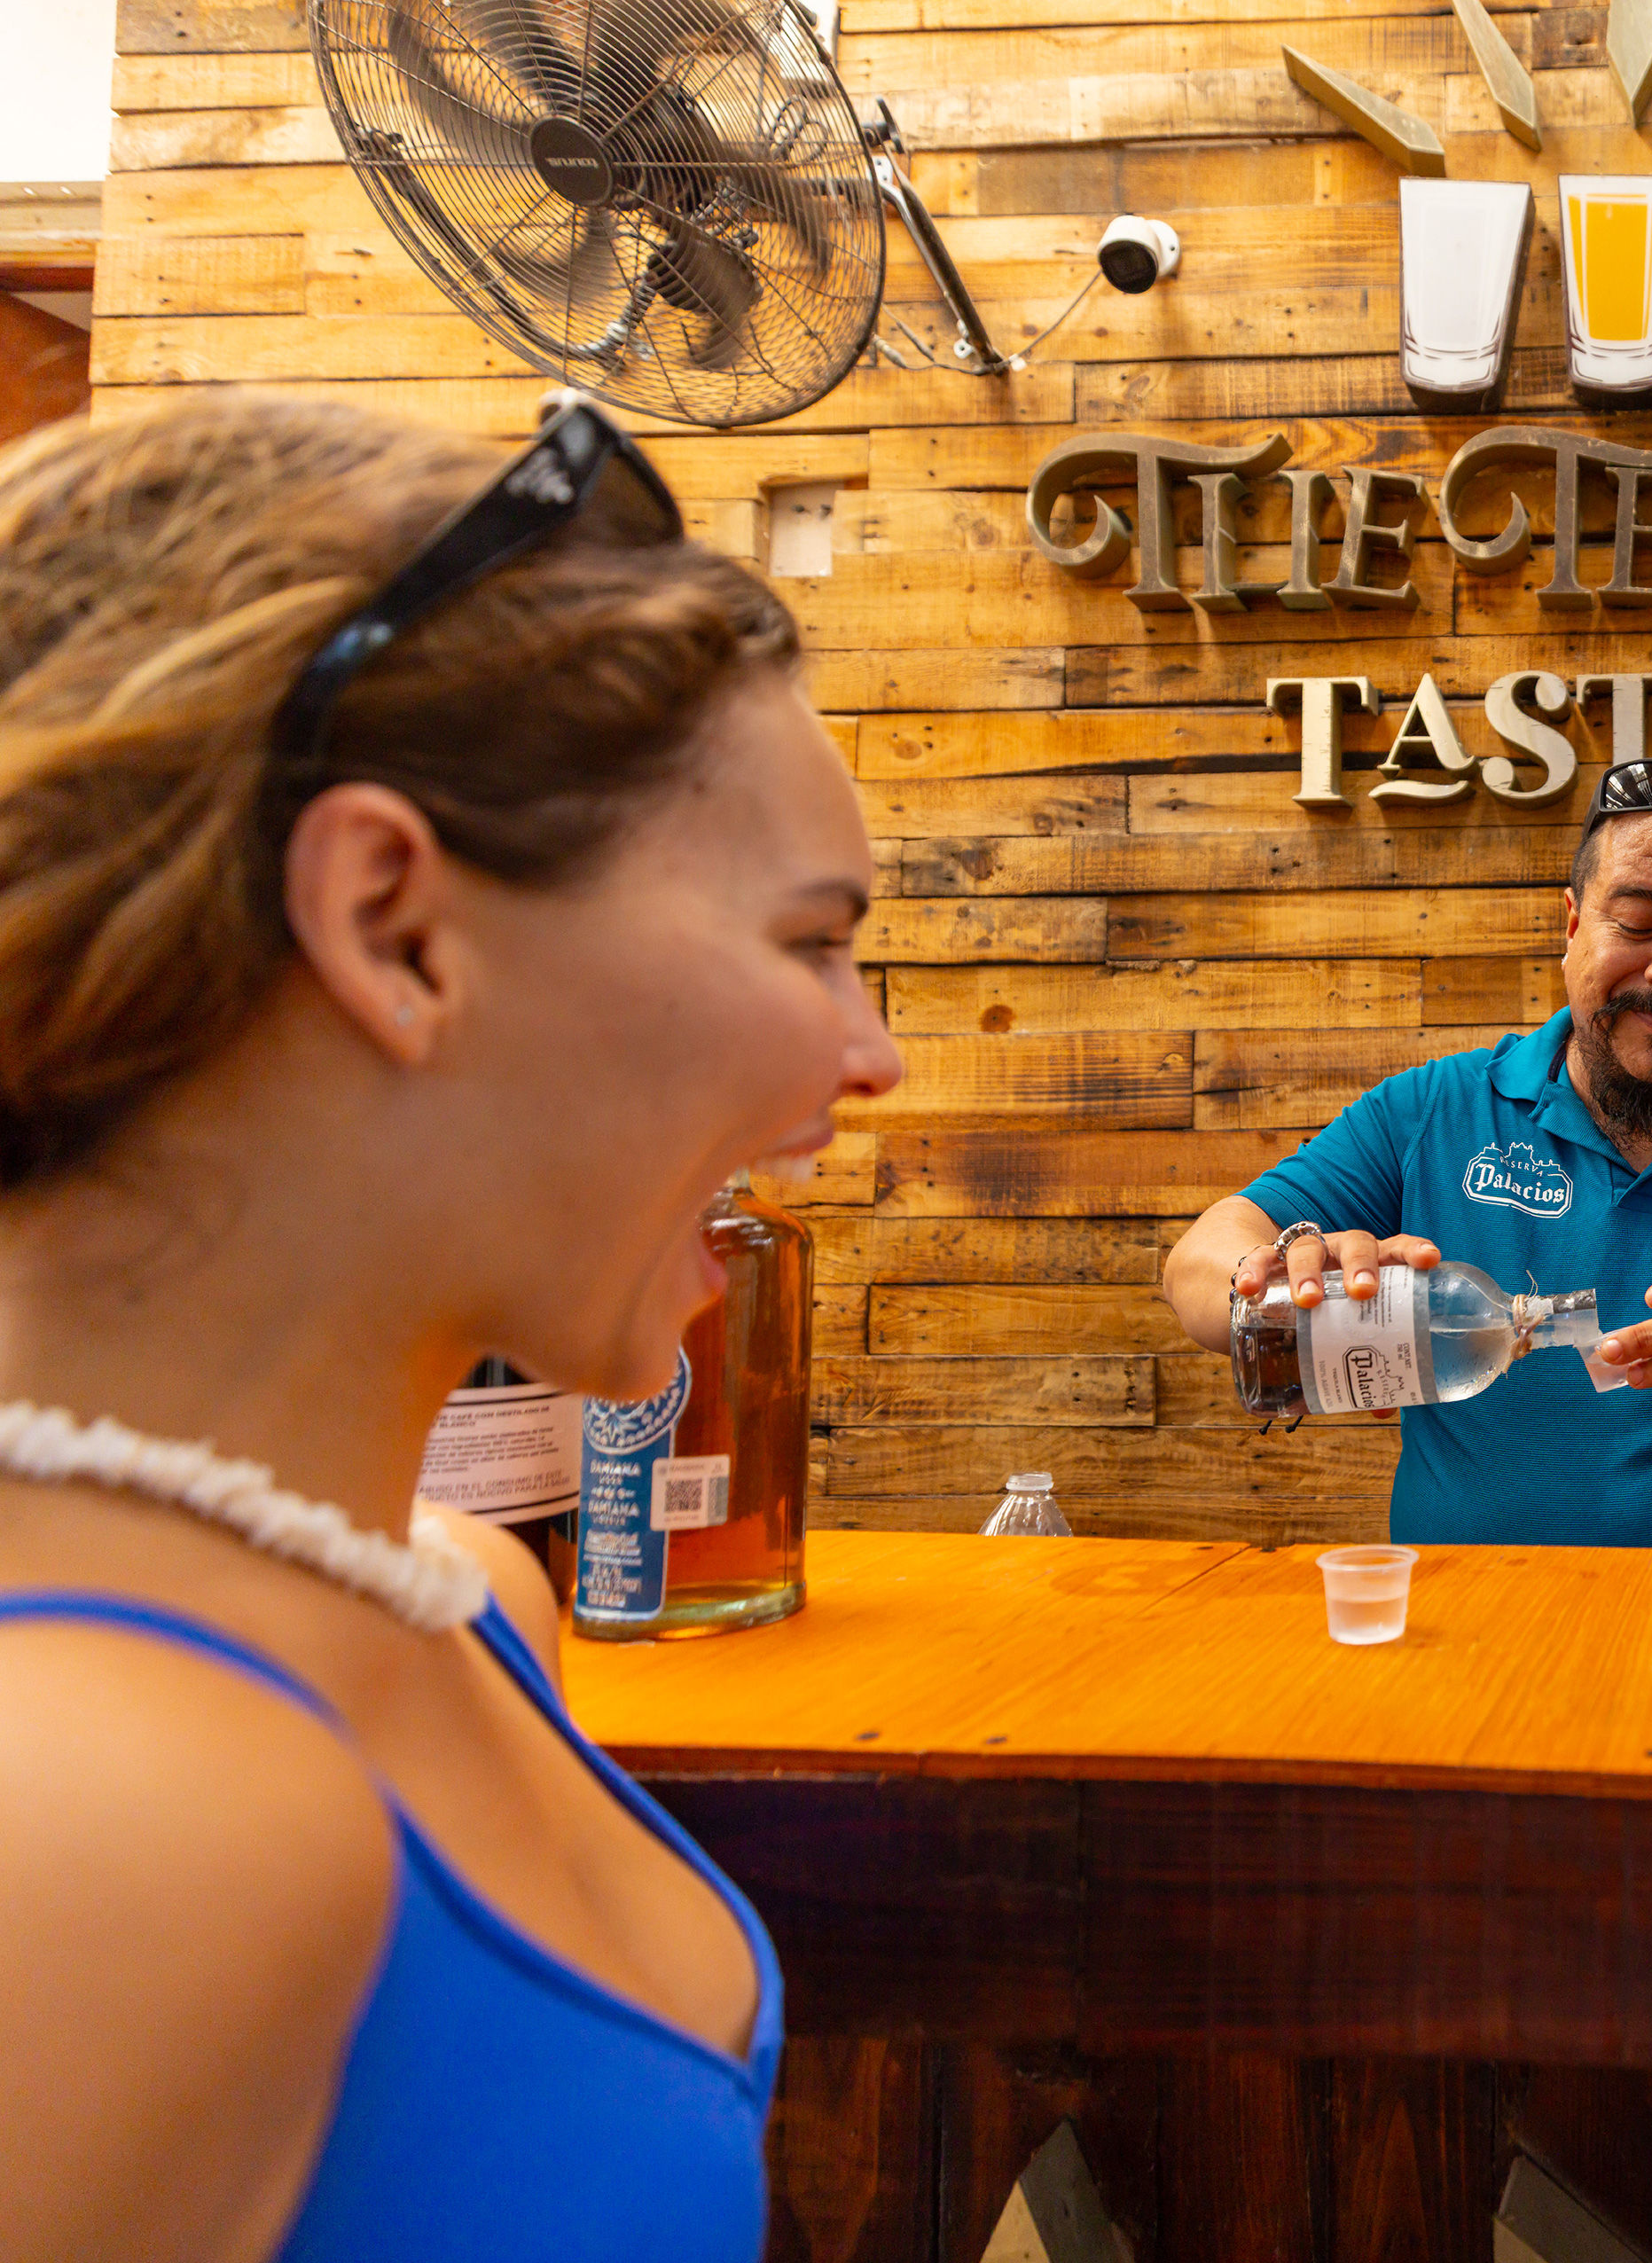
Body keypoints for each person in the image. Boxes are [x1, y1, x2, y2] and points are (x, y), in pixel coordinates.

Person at [0, 392, 904, 2259]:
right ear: (395, 926)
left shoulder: (473, 1594)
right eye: (810, 942)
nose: (866, 1050)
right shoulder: (96, 1807)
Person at [1163, 759, 1652, 1549]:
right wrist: (1280, 1267)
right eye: (1638, 923)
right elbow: (1196, 1263)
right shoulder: (1434, 1110)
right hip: (1472, 1642)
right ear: (1574, 924)